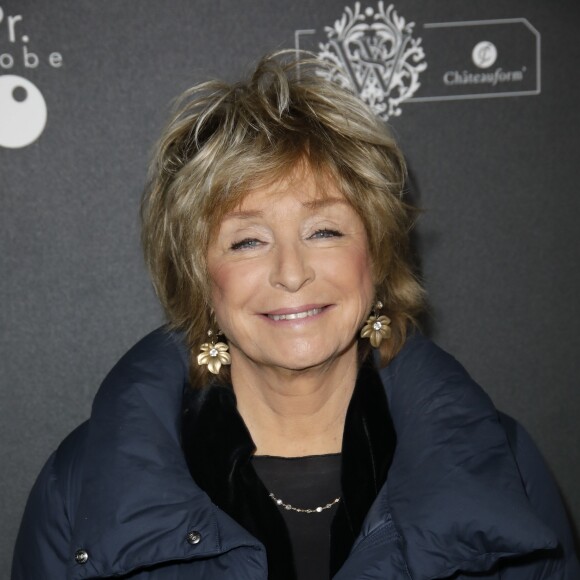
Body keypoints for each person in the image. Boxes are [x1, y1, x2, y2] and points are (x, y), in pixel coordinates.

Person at [12, 53, 579, 580]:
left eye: (323, 230)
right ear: (200, 281)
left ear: (378, 256)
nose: (290, 272)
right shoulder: (82, 482)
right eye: (247, 241)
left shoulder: (501, 464)